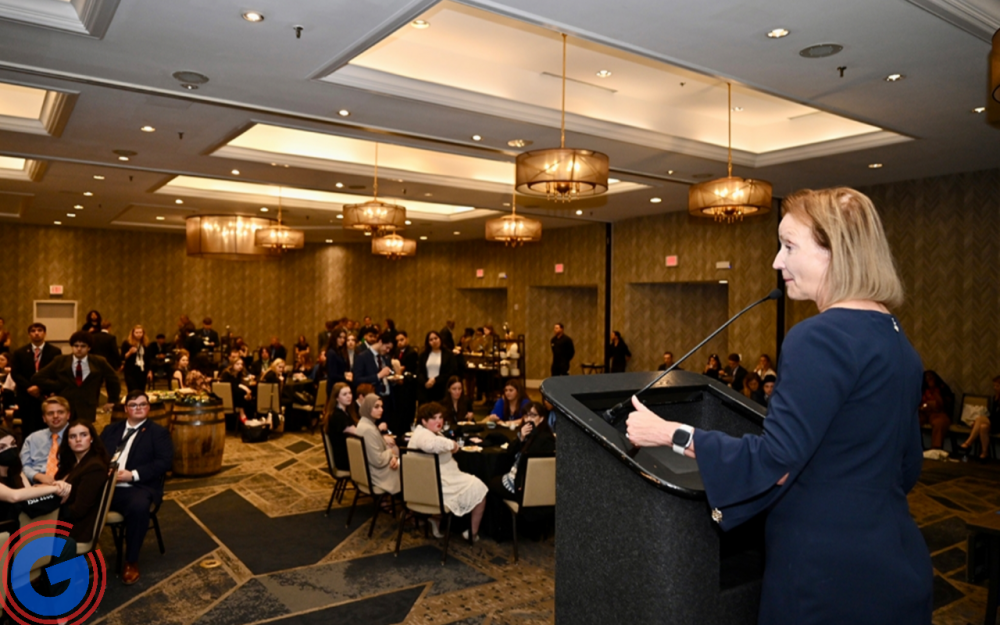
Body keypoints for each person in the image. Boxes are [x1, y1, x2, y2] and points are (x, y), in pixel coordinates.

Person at [626, 187, 932, 624]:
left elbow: (776, 462)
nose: (776, 261)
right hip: (894, 558)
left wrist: (668, 433)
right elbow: (907, 467)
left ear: (835, 251)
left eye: (789, 246)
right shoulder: (896, 337)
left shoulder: (819, 337)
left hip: (824, 570)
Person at [100, 389, 173, 585]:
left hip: (138, 487)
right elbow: (96, 455)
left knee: (139, 507)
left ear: (148, 408)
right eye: (133, 405)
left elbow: (164, 462)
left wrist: (132, 475)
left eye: (142, 404)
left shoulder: (158, 433)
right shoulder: (110, 430)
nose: (138, 408)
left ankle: (131, 560)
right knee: (75, 502)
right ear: (126, 409)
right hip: (107, 485)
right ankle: (75, 557)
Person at [409, 402, 488, 541]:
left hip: (430, 482)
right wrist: (452, 444)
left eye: (440, 417)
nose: (438, 421)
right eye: (434, 418)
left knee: (469, 482)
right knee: (480, 489)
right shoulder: (423, 435)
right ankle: (472, 533)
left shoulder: (426, 432)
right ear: (424, 421)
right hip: (437, 485)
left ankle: (436, 519)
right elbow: (429, 444)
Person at [32, 331, 121, 423]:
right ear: (72, 346)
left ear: (89, 347)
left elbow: (113, 379)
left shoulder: (98, 361)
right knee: (64, 429)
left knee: (85, 429)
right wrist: (57, 385)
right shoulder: (60, 360)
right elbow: (38, 377)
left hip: (87, 405)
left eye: (83, 346)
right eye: (76, 346)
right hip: (65, 404)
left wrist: (112, 399)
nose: (79, 349)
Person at [0, 426, 71, 533]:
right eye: (2, 447)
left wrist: (58, 485)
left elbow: (29, 495)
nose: (10, 449)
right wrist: (55, 489)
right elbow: (14, 496)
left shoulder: (17, 473)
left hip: (17, 531)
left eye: (13, 444)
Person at [489, 401, 555, 503]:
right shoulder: (528, 434)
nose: (528, 419)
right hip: (517, 476)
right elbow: (510, 452)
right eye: (526, 416)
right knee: (494, 475)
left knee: (491, 484)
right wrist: (521, 438)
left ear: (541, 418)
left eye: (533, 416)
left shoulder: (544, 439)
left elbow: (533, 465)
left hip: (525, 484)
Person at [56, 420, 110, 543]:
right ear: (68, 442)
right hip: (66, 520)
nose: (78, 440)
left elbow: (78, 511)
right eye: (72, 436)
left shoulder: (94, 467)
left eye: (83, 435)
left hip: (76, 529)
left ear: (91, 438)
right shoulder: (73, 463)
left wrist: (53, 506)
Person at [10, 323, 61, 438]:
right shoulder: (19, 352)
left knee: (46, 425)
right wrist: (29, 387)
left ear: (45, 333)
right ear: (29, 335)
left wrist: (40, 388)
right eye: (33, 331)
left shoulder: (55, 352)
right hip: (26, 395)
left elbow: (56, 373)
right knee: (27, 427)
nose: (36, 333)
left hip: (45, 394)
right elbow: (15, 374)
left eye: (39, 330)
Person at [355, 331, 401, 433]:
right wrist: (378, 376)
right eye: (387, 347)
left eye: (390, 349)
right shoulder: (362, 357)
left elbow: (387, 375)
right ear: (380, 342)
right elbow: (357, 380)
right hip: (373, 400)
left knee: (388, 430)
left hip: (388, 399)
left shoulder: (386, 357)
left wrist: (393, 379)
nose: (387, 351)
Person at [21, 396, 71, 485]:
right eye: (50, 413)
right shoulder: (33, 438)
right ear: (44, 418)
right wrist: (37, 476)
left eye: (60, 412)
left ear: (68, 415)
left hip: (67, 483)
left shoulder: (77, 436)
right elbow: (23, 465)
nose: (55, 416)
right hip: (35, 484)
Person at [355, 394, 400, 495]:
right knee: (409, 467)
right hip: (376, 474)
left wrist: (392, 457)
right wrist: (391, 452)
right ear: (368, 408)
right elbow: (378, 461)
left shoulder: (365, 422)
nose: (381, 410)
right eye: (376, 407)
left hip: (370, 469)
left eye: (381, 406)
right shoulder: (368, 429)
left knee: (399, 461)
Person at [955, 375, 1000, 462]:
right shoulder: (996, 397)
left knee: (979, 419)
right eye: (994, 386)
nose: (995, 388)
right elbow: (993, 413)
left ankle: (968, 443)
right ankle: (984, 453)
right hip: (994, 422)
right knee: (983, 427)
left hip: (998, 422)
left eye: (997, 386)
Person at [417, 330, 458, 404]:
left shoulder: (448, 354)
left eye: (436, 338)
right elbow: (419, 371)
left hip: (441, 387)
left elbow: (451, 371)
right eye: (431, 340)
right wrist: (425, 382)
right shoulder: (423, 355)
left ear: (440, 339)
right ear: (428, 342)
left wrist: (435, 380)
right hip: (426, 387)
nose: (434, 341)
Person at [325, 382, 358, 472]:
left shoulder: (347, 411)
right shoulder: (337, 416)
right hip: (345, 459)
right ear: (337, 398)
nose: (349, 396)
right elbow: (358, 433)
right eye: (344, 394)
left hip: (350, 451)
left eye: (350, 393)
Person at [919, 370, 954, 451]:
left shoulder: (942, 388)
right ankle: (914, 447)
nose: (929, 379)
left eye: (931, 377)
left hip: (938, 414)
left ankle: (935, 449)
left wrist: (933, 389)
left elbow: (945, 404)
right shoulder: (922, 388)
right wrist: (922, 408)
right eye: (927, 377)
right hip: (923, 413)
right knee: (913, 421)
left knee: (939, 423)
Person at [394, 331, 419, 427]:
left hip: (408, 386)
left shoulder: (412, 352)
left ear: (407, 339)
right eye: (397, 341)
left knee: (408, 411)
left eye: (402, 340)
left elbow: (412, 370)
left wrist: (402, 372)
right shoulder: (396, 352)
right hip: (398, 386)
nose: (400, 342)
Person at [219, 358, 253, 424]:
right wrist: (245, 389)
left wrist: (246, 392)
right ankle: (242, 414)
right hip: (228, 397)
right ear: (232, 365)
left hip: (236, 396)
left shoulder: (239, 374)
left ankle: (248, 421)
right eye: (237, 364)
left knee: (250, 401)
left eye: (241, 364)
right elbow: (232, 387)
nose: (240, 366)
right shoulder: (227, 373)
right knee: (241, 394)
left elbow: (238, 385)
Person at [121, 325, 152, 393]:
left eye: (140, 332)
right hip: (131, 371)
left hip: (142, 371)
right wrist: (130, 352)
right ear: (133, 333)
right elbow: (123, 357)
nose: (139, 334)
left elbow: (148, 359)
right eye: (137, 332)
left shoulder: (146, 344)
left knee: (141, 390)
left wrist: (149, 371)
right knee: (132, 390)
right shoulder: (127, 343)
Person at [325, 329, 353, 398]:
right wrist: (346, 377)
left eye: (344, 338)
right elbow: (332, 374)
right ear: (335, 337)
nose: (342, 340)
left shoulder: (339, 351)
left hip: (340, 385)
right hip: (334, 387)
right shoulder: (332, 352)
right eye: (340, 337)